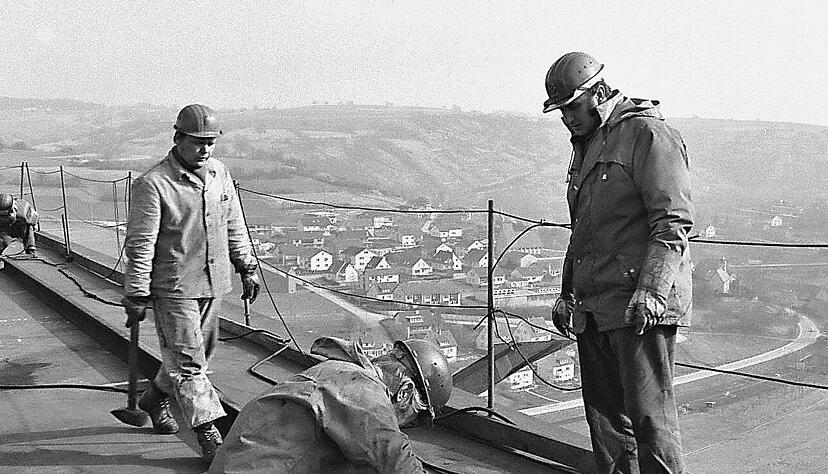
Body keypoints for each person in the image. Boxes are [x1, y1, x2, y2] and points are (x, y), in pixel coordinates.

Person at [544, 52, 693, 473]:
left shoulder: (648, 135)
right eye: (561, 111)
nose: (567, 118)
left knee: (650, 421)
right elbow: (584, 227)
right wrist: (567, 293)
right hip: (595, 306)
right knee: (607, 426)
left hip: (637, 306)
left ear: (598, 92)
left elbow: (672, 220)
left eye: (573, 107)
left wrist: (652, 291)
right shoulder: (587, 144)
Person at [122, 104, 261, 464]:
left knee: (199, 354)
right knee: (189, 365)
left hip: (213, 282)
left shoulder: (219, 173)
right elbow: (140, 243)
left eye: (210, 142)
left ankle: (153, 399)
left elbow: (234, 223)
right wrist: (136, 291)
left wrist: (247, 266)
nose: (205, 149)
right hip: (173, 287)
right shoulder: (154, 184)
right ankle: (209, 436)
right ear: (178, 138)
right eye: (198, 142)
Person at [209, 337, 453, 473]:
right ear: (405, 392)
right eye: (410, 418)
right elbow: (396, 463)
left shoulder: (336, 372)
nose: (400, 425)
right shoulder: (363, 391)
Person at [0, 193, 38, 257]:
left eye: (4, 212)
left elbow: (33, 222)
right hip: (4, 229)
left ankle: (30, 249)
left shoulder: (23, 210)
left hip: (20, 226)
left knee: (28, 227)